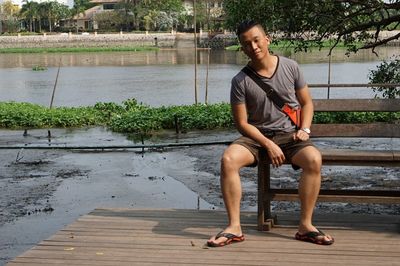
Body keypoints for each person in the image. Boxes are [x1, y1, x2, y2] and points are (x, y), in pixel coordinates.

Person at [207, 20, 334, 247]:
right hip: (255, 138)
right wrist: (267, 143)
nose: (253, 46)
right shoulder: (240, 81)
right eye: (247, 44)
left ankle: (305, 226)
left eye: (257, 40)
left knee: (314, 159)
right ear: (242, 48)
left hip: (290, 135)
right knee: (228, 160)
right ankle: (234, 227)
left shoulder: (291, 67)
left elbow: (307, 103)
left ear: (267, 40)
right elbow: (242, 123)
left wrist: (304, 129)